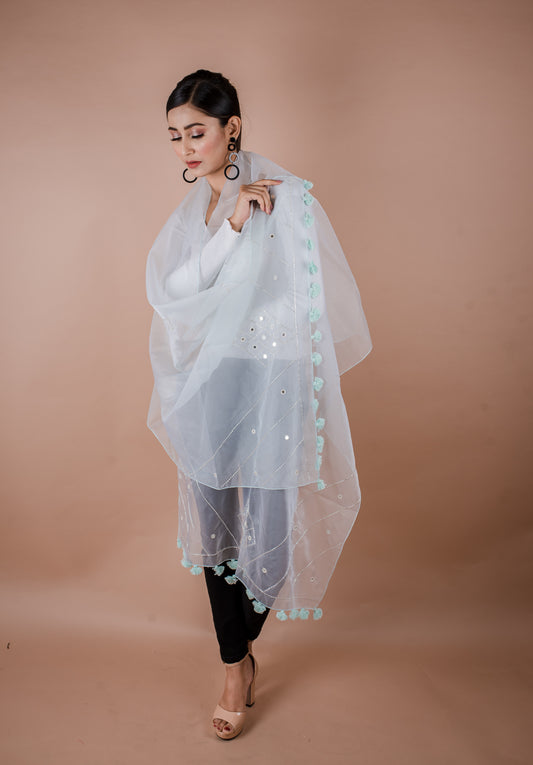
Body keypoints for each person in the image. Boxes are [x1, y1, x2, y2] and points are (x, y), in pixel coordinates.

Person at [145, 69, 372, 740]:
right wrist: (233, 224)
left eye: (197, 132)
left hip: (273, 377)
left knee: (268, 539)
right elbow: (174, 292)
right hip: (210, 380)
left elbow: (305, 302)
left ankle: (240, 647)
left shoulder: (287, 195)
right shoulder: (198, 212)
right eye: (175, 136)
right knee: (214, 525)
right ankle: (233, 667)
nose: (186, 147)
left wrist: (253, 222)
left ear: (231, 127)